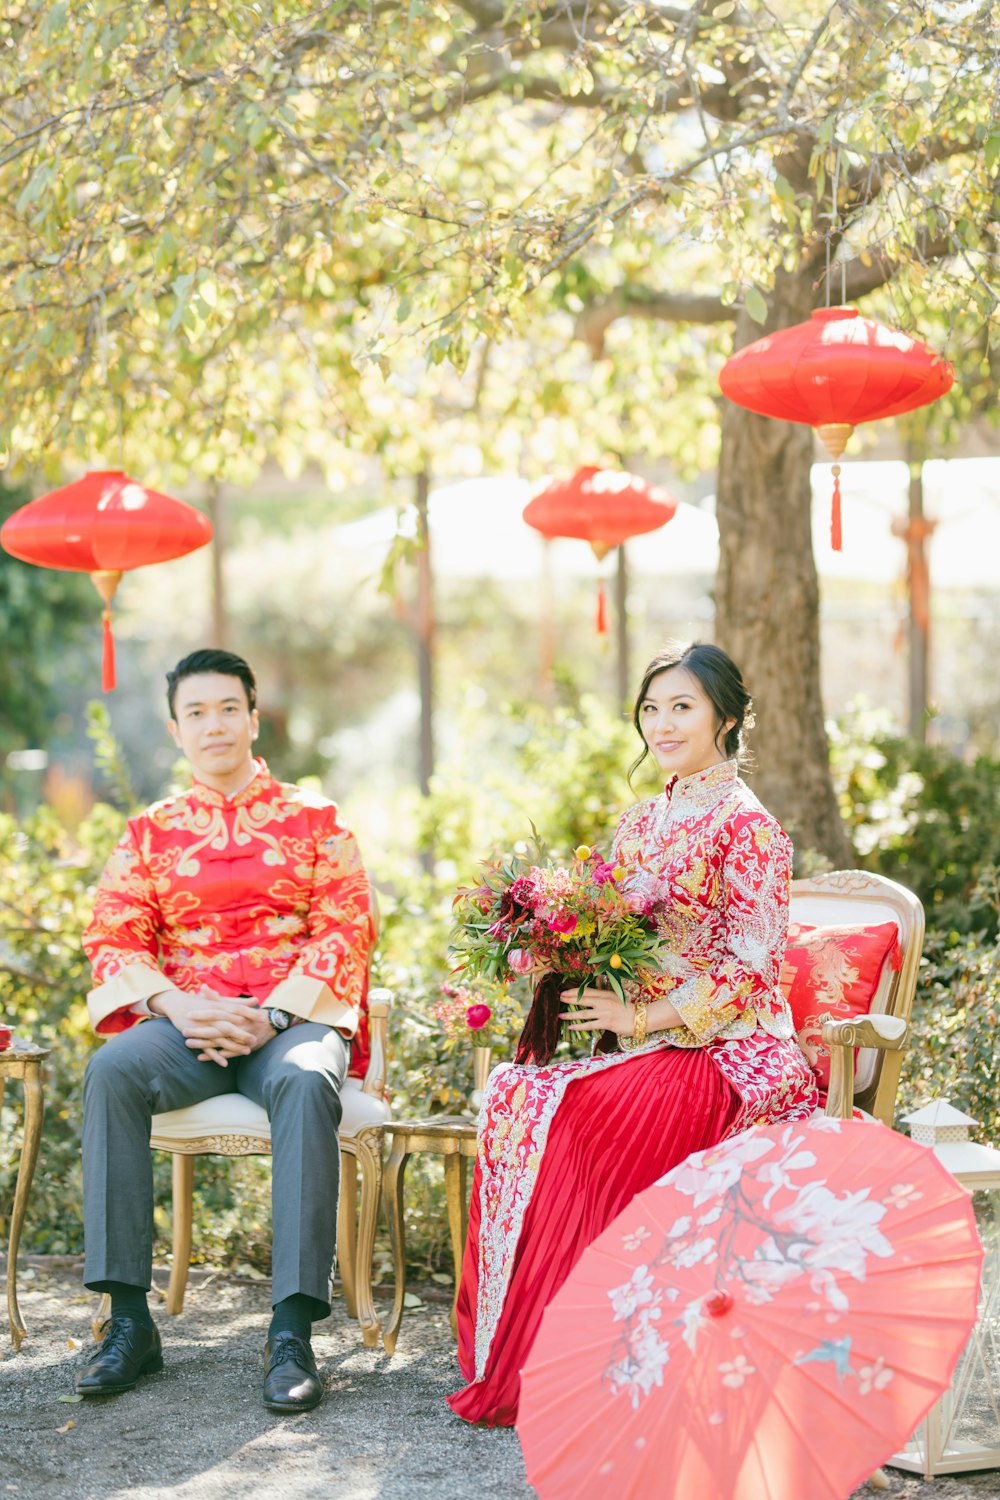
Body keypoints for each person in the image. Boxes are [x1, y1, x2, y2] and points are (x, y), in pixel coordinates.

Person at [447, 641, 820, 1426]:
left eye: (681, 706)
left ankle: (602, 1348)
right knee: (517, 1093)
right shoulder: (642, 819)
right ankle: (563, 1349)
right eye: (651, 708)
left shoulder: (750, 827)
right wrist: (553, 947)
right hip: (639, 1037)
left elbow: (753, 969)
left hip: (730, 1049)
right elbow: (616, 932)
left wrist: (640, 1018)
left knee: (571, 1113)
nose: (662, 722)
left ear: (725, 715)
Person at [75, 648, 372, 1414]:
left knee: (308, 1079)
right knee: (111, 1070)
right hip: (189, 1024)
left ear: (252, 715)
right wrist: (177, 1006)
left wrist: (271, 1014)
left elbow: (347, 926)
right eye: (196, 713)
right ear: (177, 731)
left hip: (291, 1019)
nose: (214, 725)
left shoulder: (318, 820)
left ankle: (292, 1332)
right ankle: (129, 1324)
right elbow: (113, 936)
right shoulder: (148, 834)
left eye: (227, 708)